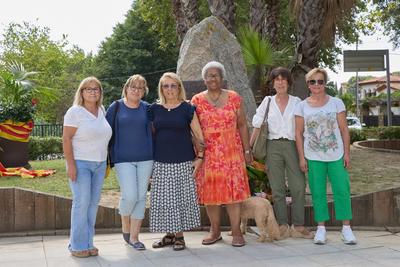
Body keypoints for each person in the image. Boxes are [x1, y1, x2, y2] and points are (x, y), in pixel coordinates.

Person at [191, 61, 251, 247]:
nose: (212, 78)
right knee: (211, 194)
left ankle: (235, 232)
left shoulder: (234, 97)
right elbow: (192, 128)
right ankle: (215, 231)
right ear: (204, 79)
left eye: (216, 75)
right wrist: (196, 148)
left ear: (222, 77)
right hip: (208, 155)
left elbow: (242, 124)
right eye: (208, 75)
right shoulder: (197, 100)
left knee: (233, 193)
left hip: (231, 153)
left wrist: (247, 149)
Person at [294, 68, 357, 245]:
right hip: (313, 156)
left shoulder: (336, 103)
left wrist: (347, 153)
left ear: (325, 83)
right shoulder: (301, 106)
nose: (316, 85)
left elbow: (344, 130)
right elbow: (298, 133)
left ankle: (346, 229)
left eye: (320, 81)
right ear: (307, 84)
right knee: (317, 192)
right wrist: (301, 157)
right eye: (312, 82)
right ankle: (321, 229)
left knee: (342, 190)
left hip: (336, 155)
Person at [250, 67, 313, 240]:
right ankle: (283, 225)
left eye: (283, 79)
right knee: (277, 188)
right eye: (276, 79)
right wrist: (248, 149)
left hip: (293, 145)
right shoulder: (267, 101)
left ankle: (298, 226)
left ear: (288, 82)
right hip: (272, 147)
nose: (280, 82)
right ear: (272, 83)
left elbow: (303, 129)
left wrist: (305, 154)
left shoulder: (297, 102)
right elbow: (257, 125)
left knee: (298, 186)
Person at [148, 72, 204, 251]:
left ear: (179, 87)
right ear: (161, 88)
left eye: (173, 85)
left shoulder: (188, 108)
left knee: (179, 198)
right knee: (164, 200)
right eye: (166, 86)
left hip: (183, 160)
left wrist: (200, 157)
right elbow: (150, 135)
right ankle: (170, 235)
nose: (169, 89)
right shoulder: (153, 109)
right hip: (160, 161)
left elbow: (198, 135)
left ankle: (180, 237)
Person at [63, 77, 112, 257]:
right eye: (88, 89)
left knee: (92, 205)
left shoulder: (102, 110)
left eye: (96, 89)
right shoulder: (74, 112)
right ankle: (77, 246)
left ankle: (88, 243)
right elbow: (66, 139)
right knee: (81, 203)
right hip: (80, 163)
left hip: (99, 165)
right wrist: (71, 165)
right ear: (81, 92)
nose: (93, 92)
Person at [105, 74, 153, 250]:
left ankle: (134, 237)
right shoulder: (115, 107)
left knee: (141, 197)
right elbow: (105, 132)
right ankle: (125, 224)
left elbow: (155, 132)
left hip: (146, 158)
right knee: (130, 195)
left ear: (144, 91)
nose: (137, 91)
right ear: (126, 88)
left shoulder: (147, 108)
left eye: (140, 88)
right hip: (122, 159)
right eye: (133, 87)